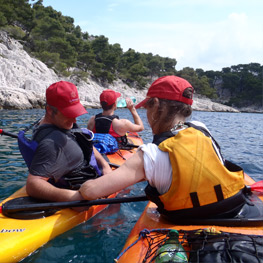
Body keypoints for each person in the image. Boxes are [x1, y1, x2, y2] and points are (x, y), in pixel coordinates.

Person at [80, 75, 247, 220]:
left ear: (157, 106)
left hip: (184, 221)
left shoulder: (151, 154)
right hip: (235, 209)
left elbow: (90, 191)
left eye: (147, 107)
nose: (146, 114)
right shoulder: (202, 129)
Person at [26, 81, 112, 202]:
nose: (74, 118)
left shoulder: (59, 124)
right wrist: (75, 197)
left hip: (95, 170)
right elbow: (32, 184)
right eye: (68, 113)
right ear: (50, 110)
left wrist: (105, 165)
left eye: (75, 112)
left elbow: (85, 145)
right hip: (80, 189)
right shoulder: (53, 143)